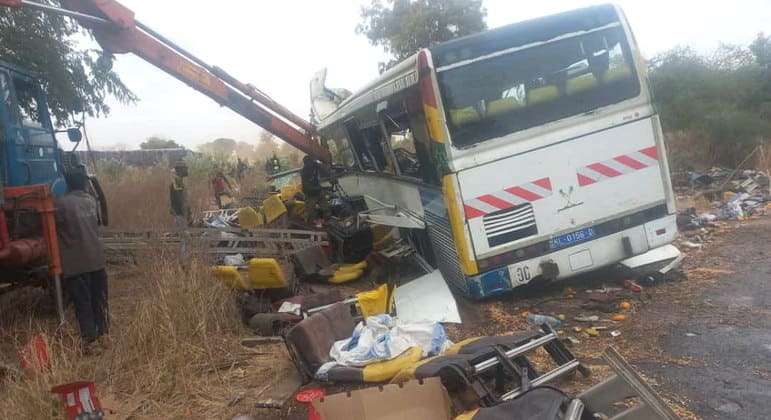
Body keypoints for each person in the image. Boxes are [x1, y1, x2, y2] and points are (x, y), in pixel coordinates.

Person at [55, 166, 109, 352]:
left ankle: (90, 341)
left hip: (77, 265)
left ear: (67, 184)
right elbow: (101, 221)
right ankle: (104, 334)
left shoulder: (61, 204)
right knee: (99, 299)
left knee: (82, 302)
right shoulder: (91, 201)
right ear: (83, 183)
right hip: (97, 260)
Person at [301, 155, 328, 224]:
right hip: (310, 194)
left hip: (318, 191)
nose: (311, 164)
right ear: (306, 164)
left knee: (326, 209)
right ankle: (312, 226)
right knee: (311, 213)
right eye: (309, 163)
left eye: (312, 162)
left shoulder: (315, 165)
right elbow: (307, 188)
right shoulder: (304, 173)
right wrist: (320, 188)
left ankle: (327, 222)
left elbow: (325, 171)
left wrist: (322, 166)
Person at [169, 161, 190, 227]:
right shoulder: (177, 181)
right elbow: (179, 197)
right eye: (184, 169)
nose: (186, 170)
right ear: (180, 170)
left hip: (178, 211)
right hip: (179, 211)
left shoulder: (178, 180)